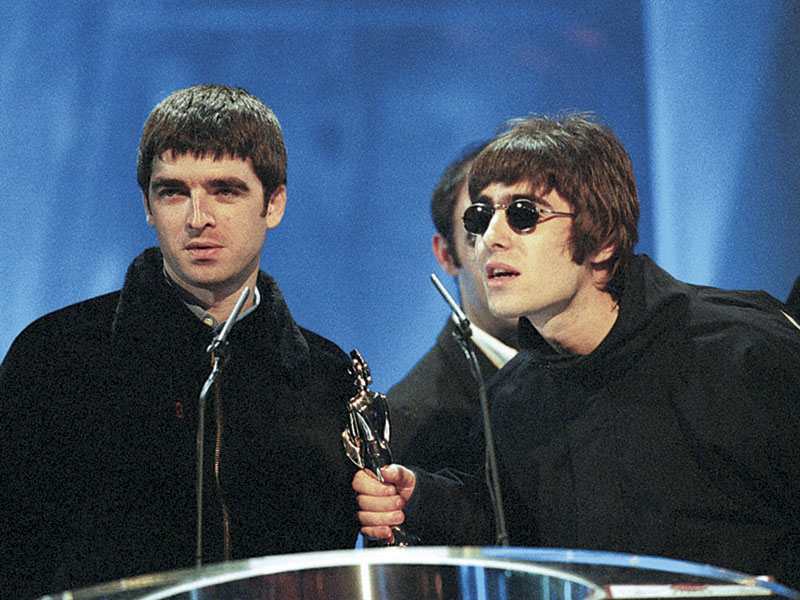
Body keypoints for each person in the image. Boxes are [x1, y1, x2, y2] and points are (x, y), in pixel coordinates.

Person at [353, 112, 800, 588]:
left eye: (523, 215)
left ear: (604, 240)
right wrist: (421, 497)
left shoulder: (745, 354)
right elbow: (518, 533)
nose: (489, 239)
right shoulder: (510, 399)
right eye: (480, 217)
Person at [0, 84, 358, 599]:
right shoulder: (56, 356)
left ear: (274, 203)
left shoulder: (327, 378)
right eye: (173, 192)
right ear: (148, 206)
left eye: (225, 190)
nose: (197, 218)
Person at [387, 142, 519, 474]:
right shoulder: (413, 417)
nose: (503, 243)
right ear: (446, 256)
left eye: (523, 218)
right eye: (479, 224)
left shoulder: (592, 368)